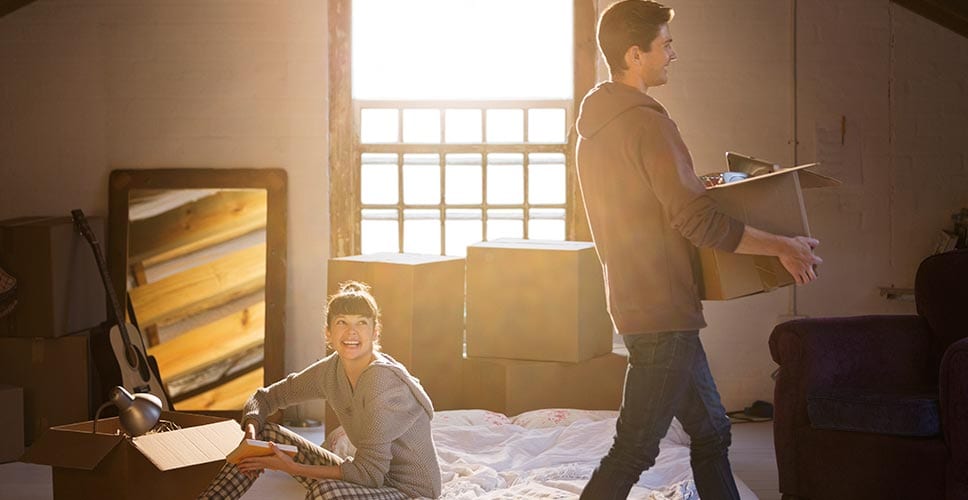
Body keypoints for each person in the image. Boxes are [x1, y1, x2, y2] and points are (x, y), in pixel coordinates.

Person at [575, 1, 822, 499]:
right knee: (636, 448)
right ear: (634, 55)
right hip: (663, 312)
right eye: (664, 45)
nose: (672, 54)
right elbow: (697, 222)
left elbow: (650, 206)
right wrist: (784, 247)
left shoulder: (597, 126)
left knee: (712, 431)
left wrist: (693, 186)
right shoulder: (648, 124)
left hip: (640, 302)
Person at [199, 281, 441, 500]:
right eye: (341, 322)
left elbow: (369, 475)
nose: (351, 332)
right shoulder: (331, 369)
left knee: (326, 492)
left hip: (409, 492)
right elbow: (266, 398)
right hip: (372, 479)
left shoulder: (383, 382)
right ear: (328, 333)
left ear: (375, 332)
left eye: (361, 323)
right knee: (267, 432)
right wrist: (251, 434)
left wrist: (293, 468)